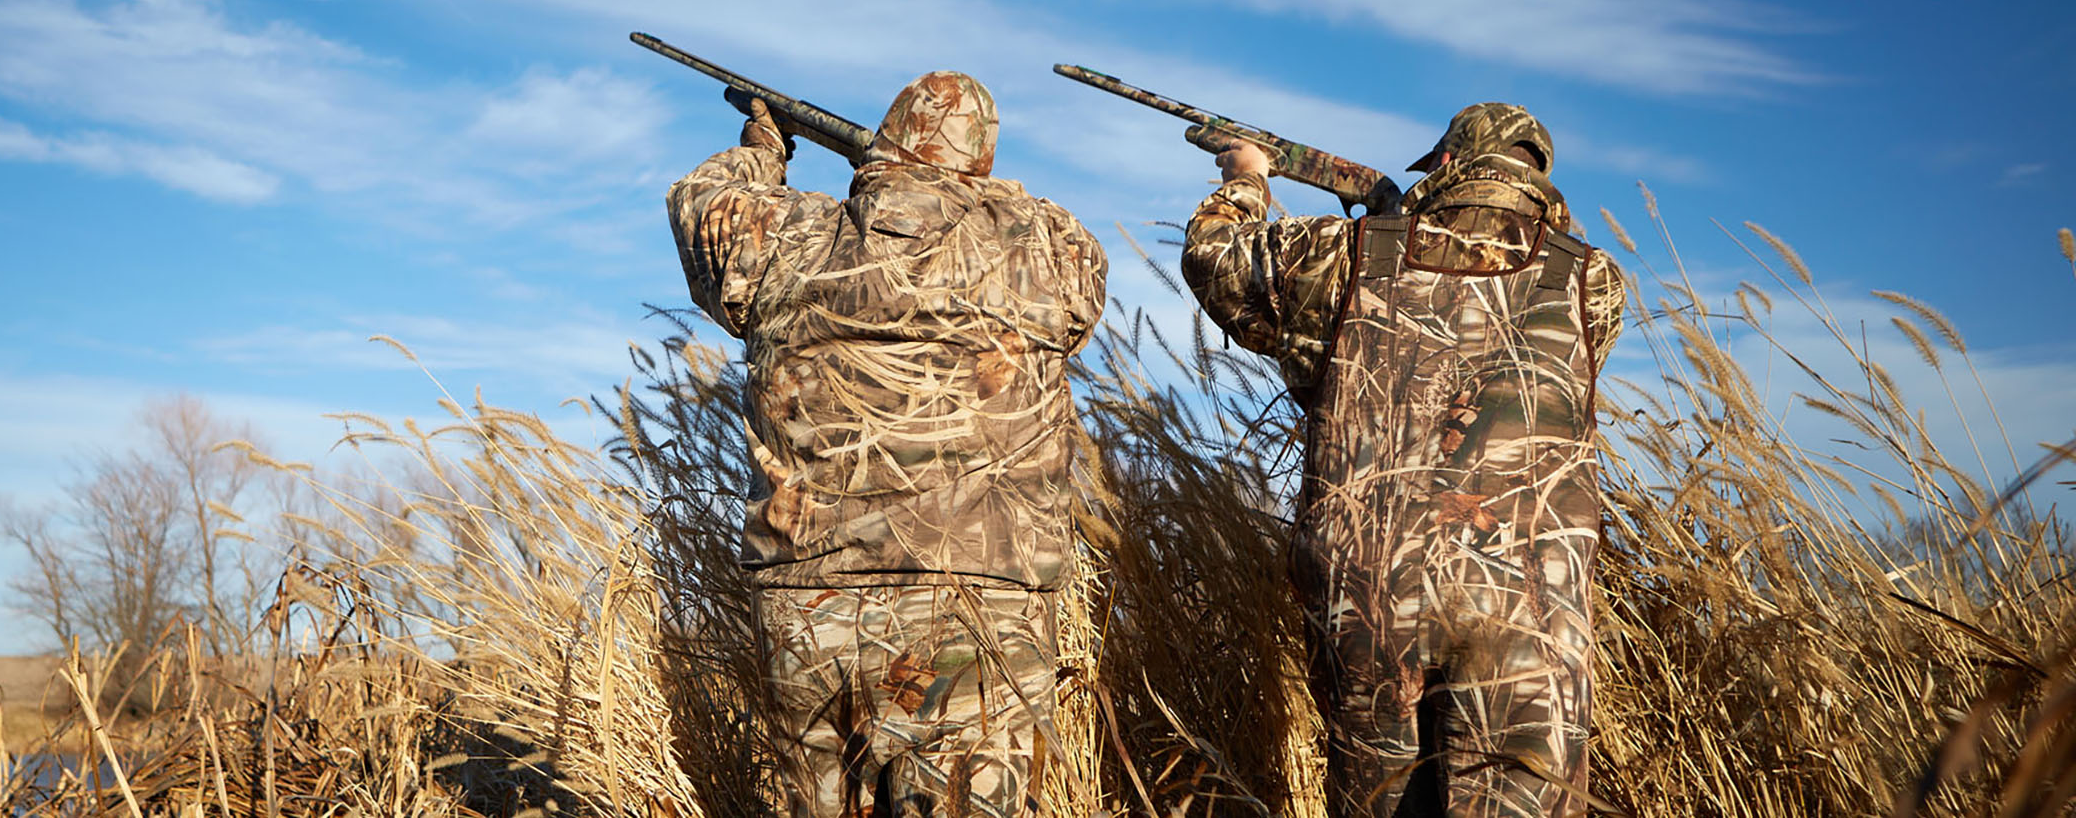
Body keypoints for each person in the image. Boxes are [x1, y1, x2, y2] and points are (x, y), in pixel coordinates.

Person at [667, 71, 1107, 817]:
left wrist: (764, 145)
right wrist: (972, 191)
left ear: (883, 145)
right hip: (981, 601)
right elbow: (1083, 265)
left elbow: (699, 204)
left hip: (809, 600)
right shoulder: (1039, 248)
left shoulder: (788, 235)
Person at [1180, 104, 1626, 817]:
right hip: (1532, 608)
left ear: (1446, 165)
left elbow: (1218, 260)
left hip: (1373, 597)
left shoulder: (1349, 251)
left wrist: (1248, 178)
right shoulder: (1591, 278)